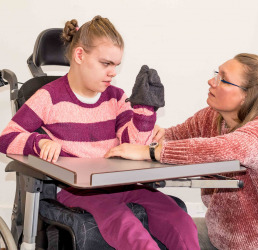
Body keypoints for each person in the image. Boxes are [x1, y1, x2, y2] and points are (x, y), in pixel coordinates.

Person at [0, 16, 199, 250]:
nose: (113, 72)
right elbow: (6, 138)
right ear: (80, 55)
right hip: (79, 190)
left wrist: (145, 114)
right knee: (132, 233)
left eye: (116, 65)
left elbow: (132, 144)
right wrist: (39, 142)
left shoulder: (115, 96)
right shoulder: (48, 97)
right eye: (106, 63)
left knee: (179, 220)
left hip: (122, 184)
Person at [105, 53, 258, 250]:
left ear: (246, 96)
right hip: (216, 236)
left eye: (222, 79)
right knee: (156, 233)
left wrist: (151, 151)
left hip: (254, 245)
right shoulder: (211, 117)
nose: (211, 81)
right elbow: (175, 136)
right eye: (216, 73)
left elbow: (224, 148)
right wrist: (149, 132)